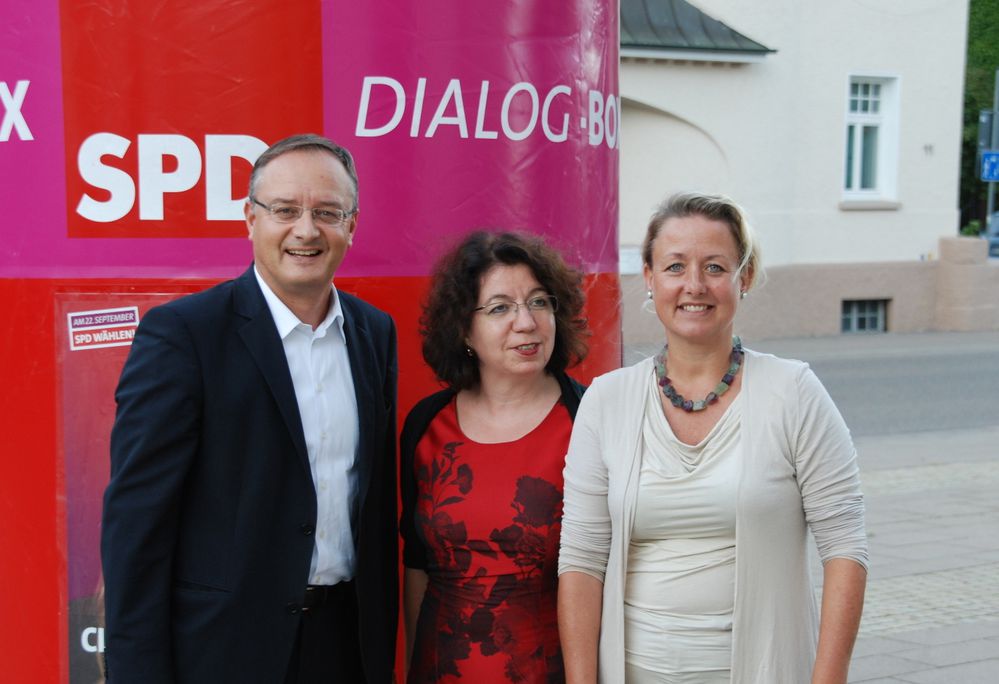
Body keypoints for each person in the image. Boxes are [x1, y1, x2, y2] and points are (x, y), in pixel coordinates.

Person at [101, 134, 398, 683]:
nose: (306, 230)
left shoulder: (374, 333)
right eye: (284, 210)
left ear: (351, 225)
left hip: (346, 646)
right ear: (249, 219)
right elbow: (136, 530)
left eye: (327, 212)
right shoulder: (184, 336)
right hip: (222, 653)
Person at [558, 192, 868, 683]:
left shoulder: (794, 392)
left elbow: (845, 547)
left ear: (743, 278)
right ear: (650, 275)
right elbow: (581, 559)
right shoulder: (606, 401)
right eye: (676, 266)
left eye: (716, 267)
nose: (694, 285)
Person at [400, 231, 588, 683]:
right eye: (500, 308)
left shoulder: (589, 420)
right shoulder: (427, 425)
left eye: (540, 302)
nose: (526, 322)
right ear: (464, 328)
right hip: (440, 669)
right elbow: (417, 567)